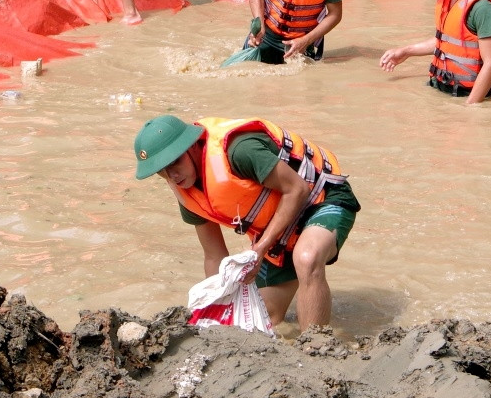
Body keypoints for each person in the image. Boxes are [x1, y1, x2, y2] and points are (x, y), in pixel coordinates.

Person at [133, 113, 357, 330]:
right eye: (161, 171)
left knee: (307, 258)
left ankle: (316, 352)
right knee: (261, 315)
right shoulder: (187, 192)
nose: (172, 175)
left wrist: (260, 248)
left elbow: (296, 189)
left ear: (191, 145)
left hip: (321, 196)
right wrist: (215, 306)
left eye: (175, 161)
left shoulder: (239, 151)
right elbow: (214, 256)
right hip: (279, 229)